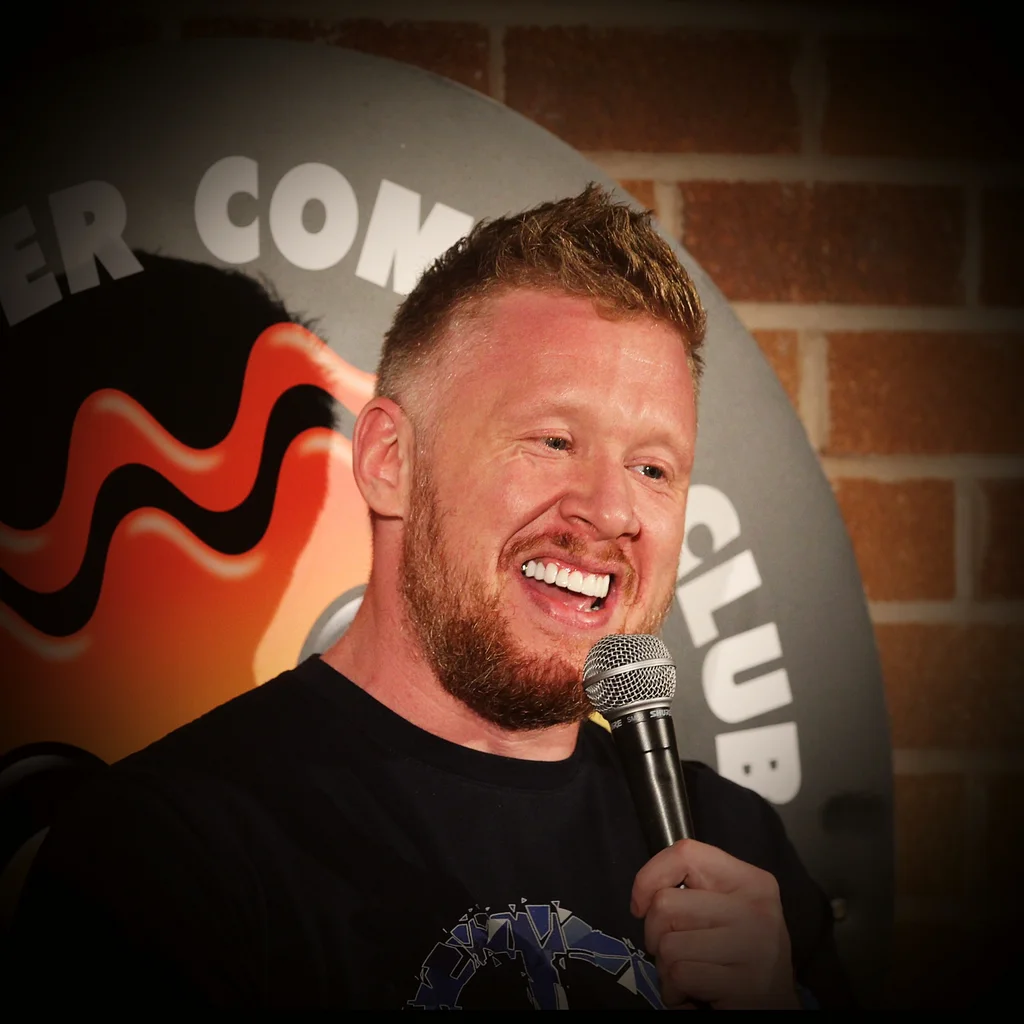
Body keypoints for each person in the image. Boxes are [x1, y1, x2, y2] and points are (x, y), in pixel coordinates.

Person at [6, 185, 854, 1009]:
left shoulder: (736, 850)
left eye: (653, 469)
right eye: (554, 441)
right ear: (389, 460)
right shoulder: (166, 851)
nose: (611, 511)